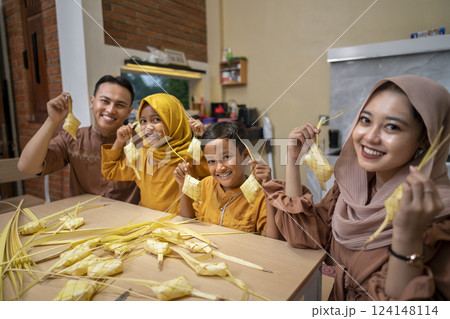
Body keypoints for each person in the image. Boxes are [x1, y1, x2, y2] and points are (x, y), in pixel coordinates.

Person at [264, 75, 450, 300]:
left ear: (425, 139)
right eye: (365, 120)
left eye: (392, 126)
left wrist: (407, 236)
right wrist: (293, 160)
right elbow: (303, 236)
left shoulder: (436, 217)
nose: (370, 137)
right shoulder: (348, 192)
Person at [17, 75, 140, 204]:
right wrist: (52, 121)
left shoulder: (139, 141)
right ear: (92, 102)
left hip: (129, 220)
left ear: (129, 111)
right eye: (105, 101)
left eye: (120, 105)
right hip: (84, 219)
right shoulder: (73, 138)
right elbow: (26, 167)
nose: (110, 110)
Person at [101, 93, 209, 214]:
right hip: (147, 223)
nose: (148, 127)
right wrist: (119, 141)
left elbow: (218, 170)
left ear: (174, 120)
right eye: (143, 121)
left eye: (156, 120)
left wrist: (204, 137)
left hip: (181, 225)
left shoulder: (191, 154)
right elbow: (110, 171)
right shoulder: (141, 155)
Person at [174, 121, 279, 238]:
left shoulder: (260, 195)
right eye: (212, 161)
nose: (220, 168)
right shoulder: (205, 185)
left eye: (226, 157)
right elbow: (188, 224)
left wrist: (269, 189)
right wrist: (183, 185)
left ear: (245, 156)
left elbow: (273, 241)